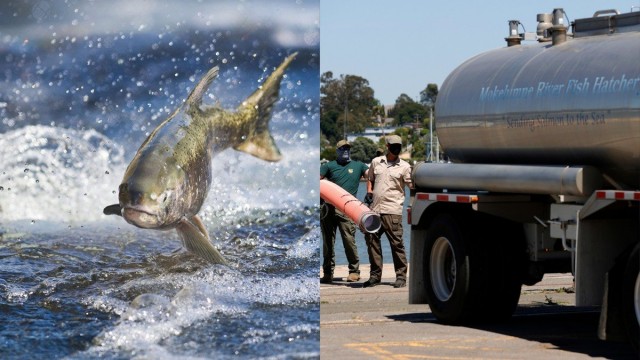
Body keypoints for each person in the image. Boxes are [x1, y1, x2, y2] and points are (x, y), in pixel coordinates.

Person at [363, 135, 412, 288]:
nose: (396, 148)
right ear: (387, 146)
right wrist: (369, 192)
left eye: (399, 145)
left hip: (393, 211)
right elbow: (370, 179)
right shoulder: (376, 162)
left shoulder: (405, 166)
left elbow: (412, 187)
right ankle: (375, 276)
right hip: (375, 210)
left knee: (396, 244)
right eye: (393, 145)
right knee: (372, 242)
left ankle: (401, 277)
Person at [320, 140, 369, 284]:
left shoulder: (358, 165)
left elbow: (371, 177)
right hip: (329, 209)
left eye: (347, 148)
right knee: (328, 243)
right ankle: (328, 273)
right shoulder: (328, 166)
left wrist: (370, 192)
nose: (345, 150)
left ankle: (354, 271)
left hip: (347, 209)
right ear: (337, 151)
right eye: (342, 148)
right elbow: (318, 181)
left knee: (349, 241)